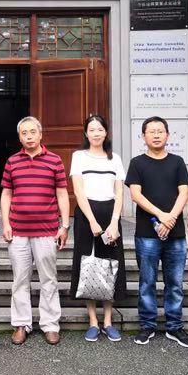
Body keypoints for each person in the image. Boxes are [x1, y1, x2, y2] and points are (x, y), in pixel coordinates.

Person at [125, 116, 188, 348]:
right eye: (151, 131)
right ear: (143, 136)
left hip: (176, 235)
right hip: (147, 233)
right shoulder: (137, 163)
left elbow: (184, 192)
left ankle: (175, 326)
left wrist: (171, 217)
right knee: (147, 282)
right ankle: (147, 325)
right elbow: (136, 195)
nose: (156, 135)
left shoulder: (177, 162)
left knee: (175, 283)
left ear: (167, 135)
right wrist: (162, 215)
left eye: (160, 131)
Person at [1, 116, 69, 345]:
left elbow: (62, 194)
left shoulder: (55, 160)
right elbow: (6, 194)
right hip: (18, 231)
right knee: (20, 280)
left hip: (46, 231)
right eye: (24, 133)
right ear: (19, 137)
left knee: (49, 279)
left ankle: (50, 325)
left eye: (32, 132)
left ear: (40, 134)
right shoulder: (12, 161)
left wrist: (64, 226)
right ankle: (21, 324)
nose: (29, 137)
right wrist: (6, 223)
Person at [69, 114, 127, 342]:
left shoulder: (115, 159)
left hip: (110, 213)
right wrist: (92, 221)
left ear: (106, 132)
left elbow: (119, 192)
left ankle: (108, 322)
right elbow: (78, 191)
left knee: (110, 264)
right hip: (87, 215)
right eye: (91, 129)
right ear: (86, 133)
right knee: (88, 264)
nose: (96, 133)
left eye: (100, 129)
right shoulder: (79, 157)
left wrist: (114, 222)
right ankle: (93, 321)